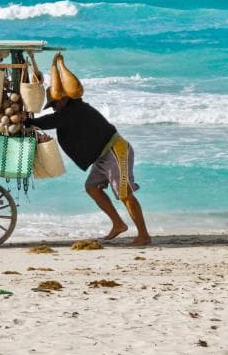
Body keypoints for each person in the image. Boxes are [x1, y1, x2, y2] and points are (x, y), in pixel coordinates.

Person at [24, 97, 152, 246]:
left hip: (116, 151)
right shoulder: (69, 113)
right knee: (92, 188)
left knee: (125, 194)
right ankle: (118, 224)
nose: (54, 108)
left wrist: (30, 122)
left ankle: (144, 235)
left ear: (64, 100)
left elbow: (52, 121)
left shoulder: (76, 109)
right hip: (102, 156)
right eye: (52, 105)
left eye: (55, 104)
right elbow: (56, 119)